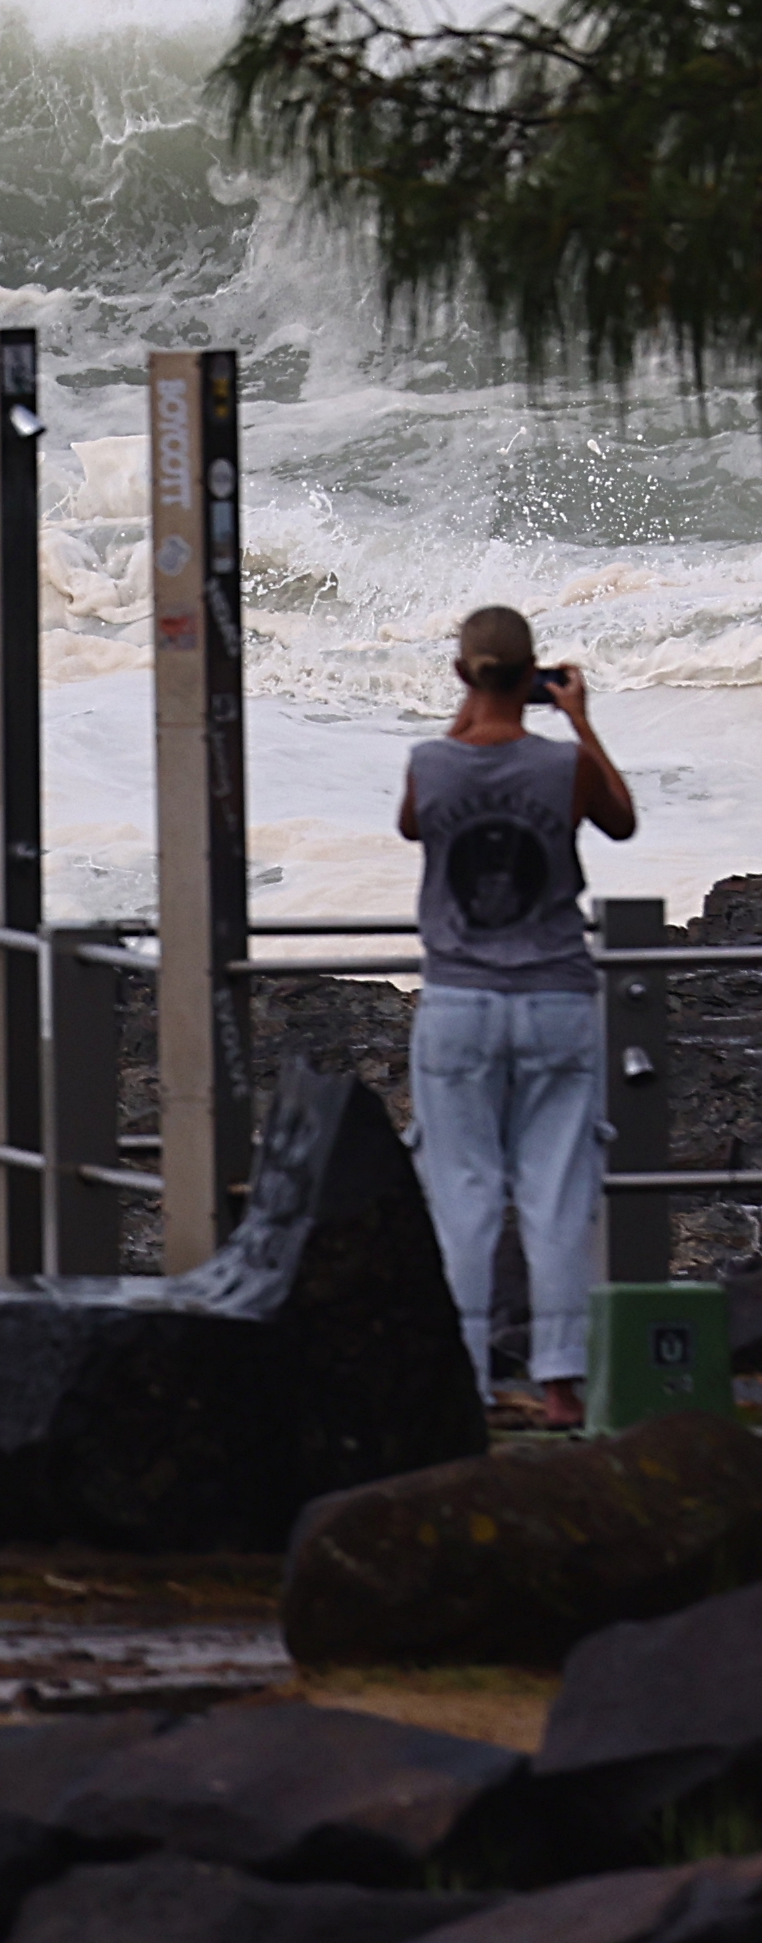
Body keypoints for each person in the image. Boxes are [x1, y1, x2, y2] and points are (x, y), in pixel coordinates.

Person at [400, 605, 637, 1427]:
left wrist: (467, 708)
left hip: (459, 1001)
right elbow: (621, 818)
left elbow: (410, 823)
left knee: (459, 1194)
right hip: (555, 998)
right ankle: (562, 1382)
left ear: (464, 674)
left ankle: (462, 1379)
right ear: (535, 673)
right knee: (557, 1194)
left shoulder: (431, 762)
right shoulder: (561, 765)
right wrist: (578, 718)